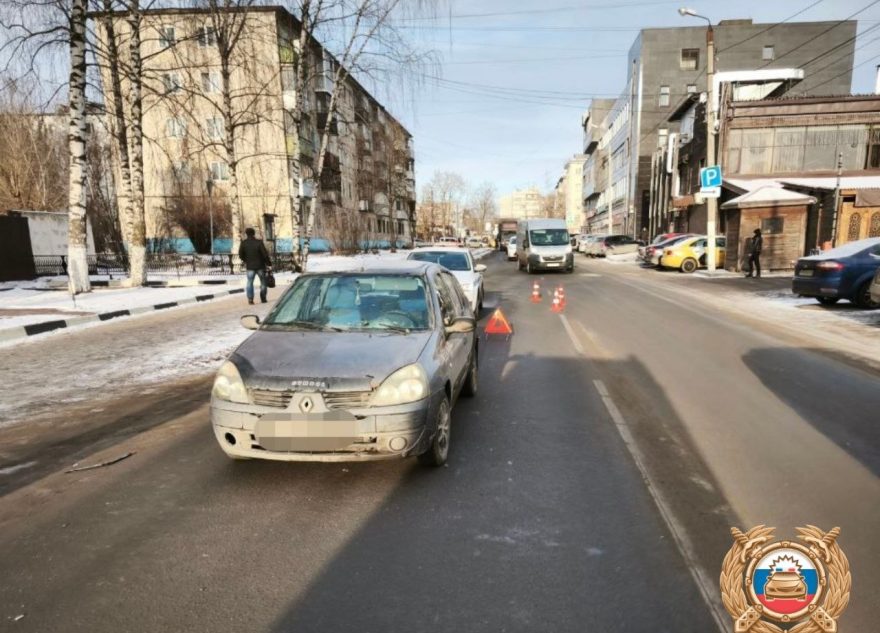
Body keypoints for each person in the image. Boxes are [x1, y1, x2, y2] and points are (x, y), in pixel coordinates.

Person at [238, 227, 272, 304]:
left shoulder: (244, 243)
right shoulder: (259, 242)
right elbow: (265, 254)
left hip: (250, 266)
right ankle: (263, 298)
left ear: (246, 234)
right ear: (253, 234)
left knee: (250, 282)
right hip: (260, 266)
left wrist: (246, 260)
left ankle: (250, 299)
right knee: (263, 282)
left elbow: (240, 255)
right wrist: (269, 263)